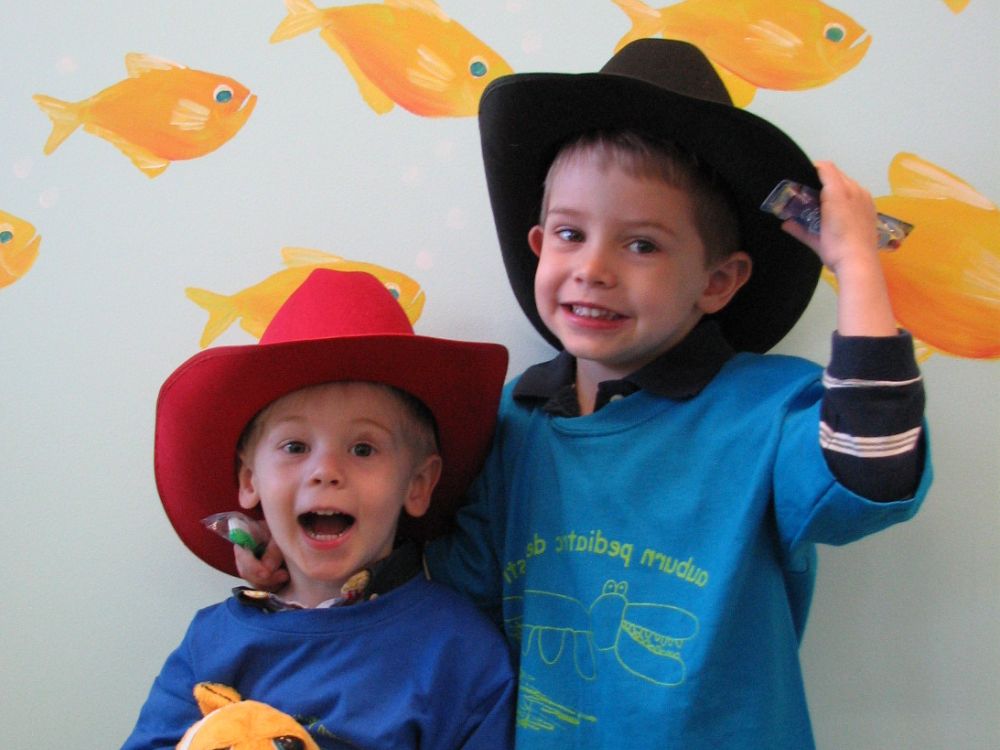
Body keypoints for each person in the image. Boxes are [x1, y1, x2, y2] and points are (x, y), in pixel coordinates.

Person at [239, 40, 933, 749]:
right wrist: (302, 555)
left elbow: (872, 471)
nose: (592, 269)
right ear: (539, 244)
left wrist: (855, 268)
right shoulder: (512, 421)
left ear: (718, 282)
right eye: (571, 233)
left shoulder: (767, 410)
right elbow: (448, 586)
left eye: (642, 245)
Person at [123, 268, 515, 750]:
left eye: (364, 449)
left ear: (417, 483)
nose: (325, 471)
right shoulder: (211, 642)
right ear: (250, 480)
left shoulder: (461, 653)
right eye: (294, 446)